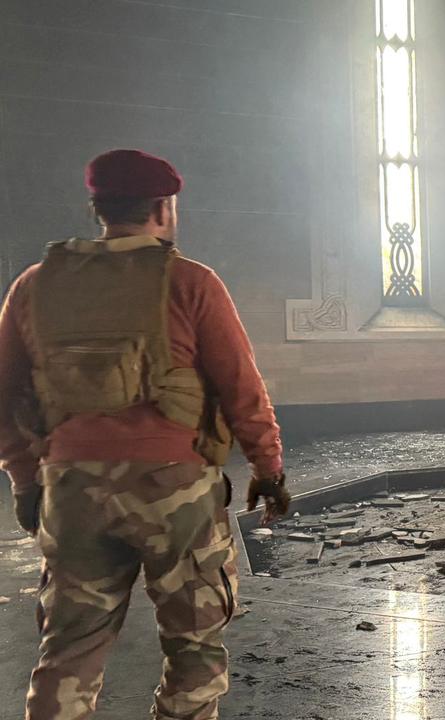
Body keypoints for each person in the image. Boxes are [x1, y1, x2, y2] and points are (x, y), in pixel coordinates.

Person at [0, 149, 291, 719]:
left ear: (97, 208)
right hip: (174, 494)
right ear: (164, 207)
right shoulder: (191, 282)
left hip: (72, 490)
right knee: (194, 649)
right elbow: (241, 388)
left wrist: (25, 480)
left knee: (68, 652)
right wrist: (268, 470)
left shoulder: (34, 287)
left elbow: (4, 398)